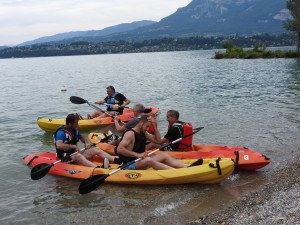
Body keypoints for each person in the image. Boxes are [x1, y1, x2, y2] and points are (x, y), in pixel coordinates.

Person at [115, 115, 202, 170]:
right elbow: (120, 149)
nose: (148, 128)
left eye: (149, 126)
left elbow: (158, 141)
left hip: (140, 161)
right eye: (147, 126)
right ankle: (176, 172)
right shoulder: (130, 133)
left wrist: (154, 126)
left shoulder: (144, 132)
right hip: (128, 165)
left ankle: (186, 167)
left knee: (164, 155)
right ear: (141, 123)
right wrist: (138, 155)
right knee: (149, 159)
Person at [54, 113, 119, 168]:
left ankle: (116, 160)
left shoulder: (75, 130)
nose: (77, 125)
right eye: (75, 124)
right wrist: (74, 147)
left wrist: (86, 143)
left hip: (74, 154)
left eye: (77, 123)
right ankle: (98, 168)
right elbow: (59, 145)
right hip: (64, 158)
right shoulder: (61, 132)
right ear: (69, 123)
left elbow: (82, 138)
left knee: (96, 149)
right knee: (78, 156)